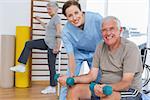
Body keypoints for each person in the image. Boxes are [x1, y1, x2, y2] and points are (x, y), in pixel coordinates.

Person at [59, 16, 143, 100]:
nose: (108, 33)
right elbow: (92, 76)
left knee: (106, 97)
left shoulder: (130, 48)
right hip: (104, 87)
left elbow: (126, 83)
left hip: (129, 90)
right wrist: (72, 79)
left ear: (120, 30)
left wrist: (104, 88)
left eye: (111, 29)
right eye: (104, 30)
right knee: (74, 90)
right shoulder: (100, 46)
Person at [10, 1, 62, 94]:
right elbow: (46, 27)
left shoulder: (56, 18)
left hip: (53, 46)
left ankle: (53, 87)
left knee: (51, 67)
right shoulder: (52, 19)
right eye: (47, 9)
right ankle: (22, 65)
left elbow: (59, 31)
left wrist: (57, 46)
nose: (48, 10)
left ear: (56, 8)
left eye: (50, 8)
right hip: (47, 42)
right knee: (29, 44)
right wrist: (39, 20)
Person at [59, 0, 103, 100]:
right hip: (77, 53)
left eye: (76, 13)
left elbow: (107, 36)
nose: (74, 18)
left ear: (81, 11)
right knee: (68, 79)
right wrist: (71, 76)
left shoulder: (96, 18)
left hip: (96, 52)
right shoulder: (66, 31)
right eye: (70, 15)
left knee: (99, 78)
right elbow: (71, 56)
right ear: (66, 18)